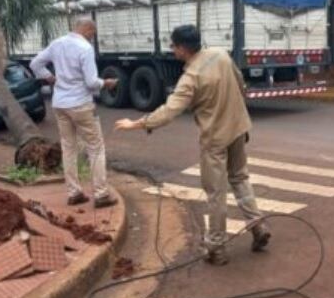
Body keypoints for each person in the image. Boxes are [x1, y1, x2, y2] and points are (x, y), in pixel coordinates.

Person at [115, 24, 270, 266]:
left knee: (216, 193)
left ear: (182, 48)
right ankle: (258, 226)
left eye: (173, 46)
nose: (172, 50)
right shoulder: (221, 54)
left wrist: (136, 124)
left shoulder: (191, 78)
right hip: (239, 128)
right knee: (240, 178)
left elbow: (169, 111)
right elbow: (241, 84)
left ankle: (217, 248)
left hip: (215, 139)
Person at [30, 18, 118, 208]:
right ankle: (101, 194)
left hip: (60, 104)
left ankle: (74, 193)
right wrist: (106, 83)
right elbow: (91, 82)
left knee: (68, 148)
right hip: (81, 104)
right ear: (87, 29)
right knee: (95, 148)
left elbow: (35, 64)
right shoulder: (85, 48)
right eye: (92, 34)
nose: (92, 39)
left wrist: (50, 78)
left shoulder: (57, 43)